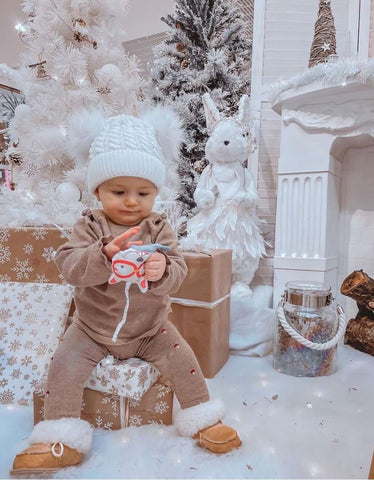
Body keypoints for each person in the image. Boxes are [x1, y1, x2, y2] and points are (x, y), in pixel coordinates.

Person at [11, 111, 241, 475]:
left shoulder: (159, 228)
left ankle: (202, 418)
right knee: (63, 365)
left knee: (184, 358)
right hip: (91, 328)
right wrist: (102, 255)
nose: (132, 201)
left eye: (143, 192)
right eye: (119, 191)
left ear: (155, 192)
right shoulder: (89, 226)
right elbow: (69, 265)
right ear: (98, 190)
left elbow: (178, 270)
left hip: (150, 329)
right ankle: (59, 436)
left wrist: (162, 269)